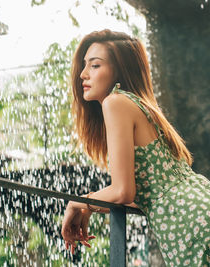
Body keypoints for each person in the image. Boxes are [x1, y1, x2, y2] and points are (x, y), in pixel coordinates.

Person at [61, 29, 210, 266]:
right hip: (197, 209)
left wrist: (76, 202)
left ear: (119, 70)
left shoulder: (115, 102)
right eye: (84, 65)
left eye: (95, 66)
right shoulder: (139, 105)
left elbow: (123, 191)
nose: (83, 74)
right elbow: (144, 195)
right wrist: (90, 207)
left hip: (189, 222)